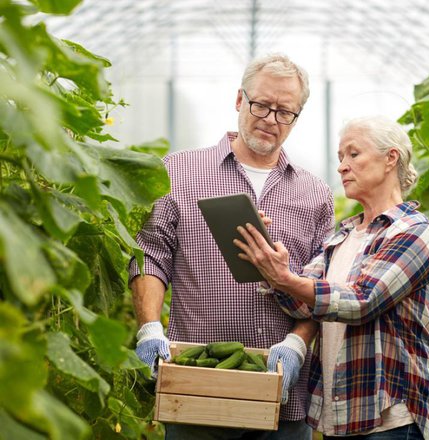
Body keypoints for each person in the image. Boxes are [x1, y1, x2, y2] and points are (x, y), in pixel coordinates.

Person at [128, 53, 335, 440]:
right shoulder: (179, 172)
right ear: (240, 100)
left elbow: (324, 285)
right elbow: (150, 256)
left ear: (296, 117)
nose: (270, 119)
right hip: (197, 386)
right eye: (261, 105)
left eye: (284, 111)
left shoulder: (315, 194)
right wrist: (150, 326)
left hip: (282, 398)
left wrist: (297, 343)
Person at [235, 115, 429, 440]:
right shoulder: (343, 236)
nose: (342, 166)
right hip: (341, 414)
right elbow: (301, 304)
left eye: (353, 154)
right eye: (339, 158)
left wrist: (286, 279)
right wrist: (266, 260)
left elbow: (363, 301)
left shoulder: (415, 232)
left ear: (391, 158)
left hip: (391, 417)